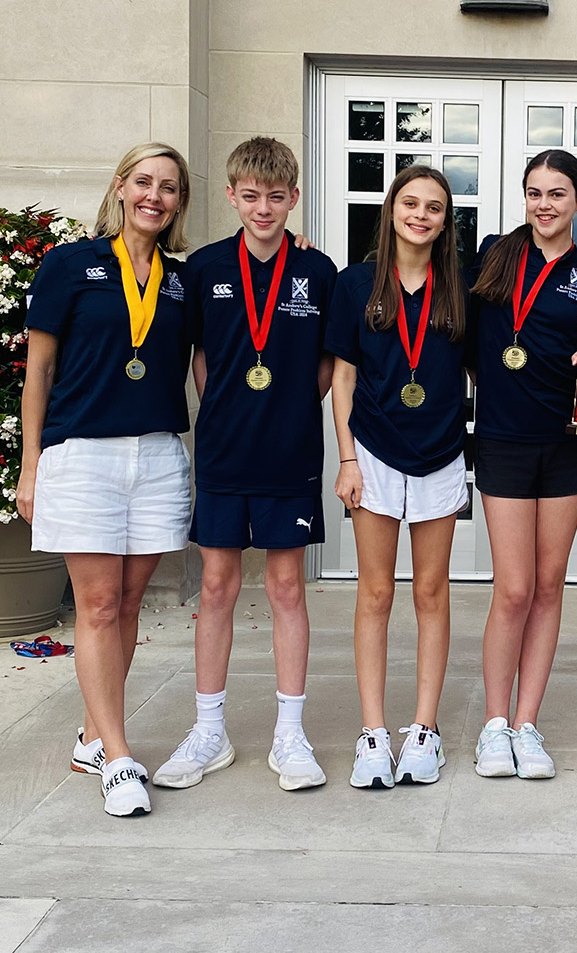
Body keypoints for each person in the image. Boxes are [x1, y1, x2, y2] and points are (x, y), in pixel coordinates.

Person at [152, 136, 339, 793]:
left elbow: (326, 363)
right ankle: (210, 729)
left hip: (291, 454)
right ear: (231, 196)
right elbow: (198, 356)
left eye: (277, 197)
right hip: (226, 452)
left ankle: (290, 732)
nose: (264, 209)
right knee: (217, 588)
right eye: (252, 196)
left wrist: (287, 405)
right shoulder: (202, 269)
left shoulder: (318, 272)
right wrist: (229, 403)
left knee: (287, 590)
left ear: (294, 199)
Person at [17, 142, 194, 817]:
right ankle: (118, 754)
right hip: (82, 455)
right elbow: (38, 371)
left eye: (169, 187)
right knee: (95, 605)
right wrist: (31, 465)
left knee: (125, 605)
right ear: (120, 187)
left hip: (155, 456)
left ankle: (94, 734)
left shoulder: (180, 281)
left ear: (179, 201)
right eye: (144, 182)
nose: (155, 195)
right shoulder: (68, 265)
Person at [467, 150, 577, 780]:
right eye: (533, 193)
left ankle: (527, 723)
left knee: (549, 587)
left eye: (556, 194)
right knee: (514, 588)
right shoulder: (494, 256)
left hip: (568, 443)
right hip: (502, 438)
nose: (543, 205)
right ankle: (494, 725)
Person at [325, 165, 468, 789]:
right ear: (391, 210)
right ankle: (374, 732)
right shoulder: (355, 284)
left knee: (430, 593)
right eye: (410, 203)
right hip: (375, 455)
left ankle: (425, 732)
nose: (420, 215)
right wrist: (348, 458)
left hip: (440, 454)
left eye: (433, 207)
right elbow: (343, 380)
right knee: (375, 593)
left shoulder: (461, 288)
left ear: (445, 220)